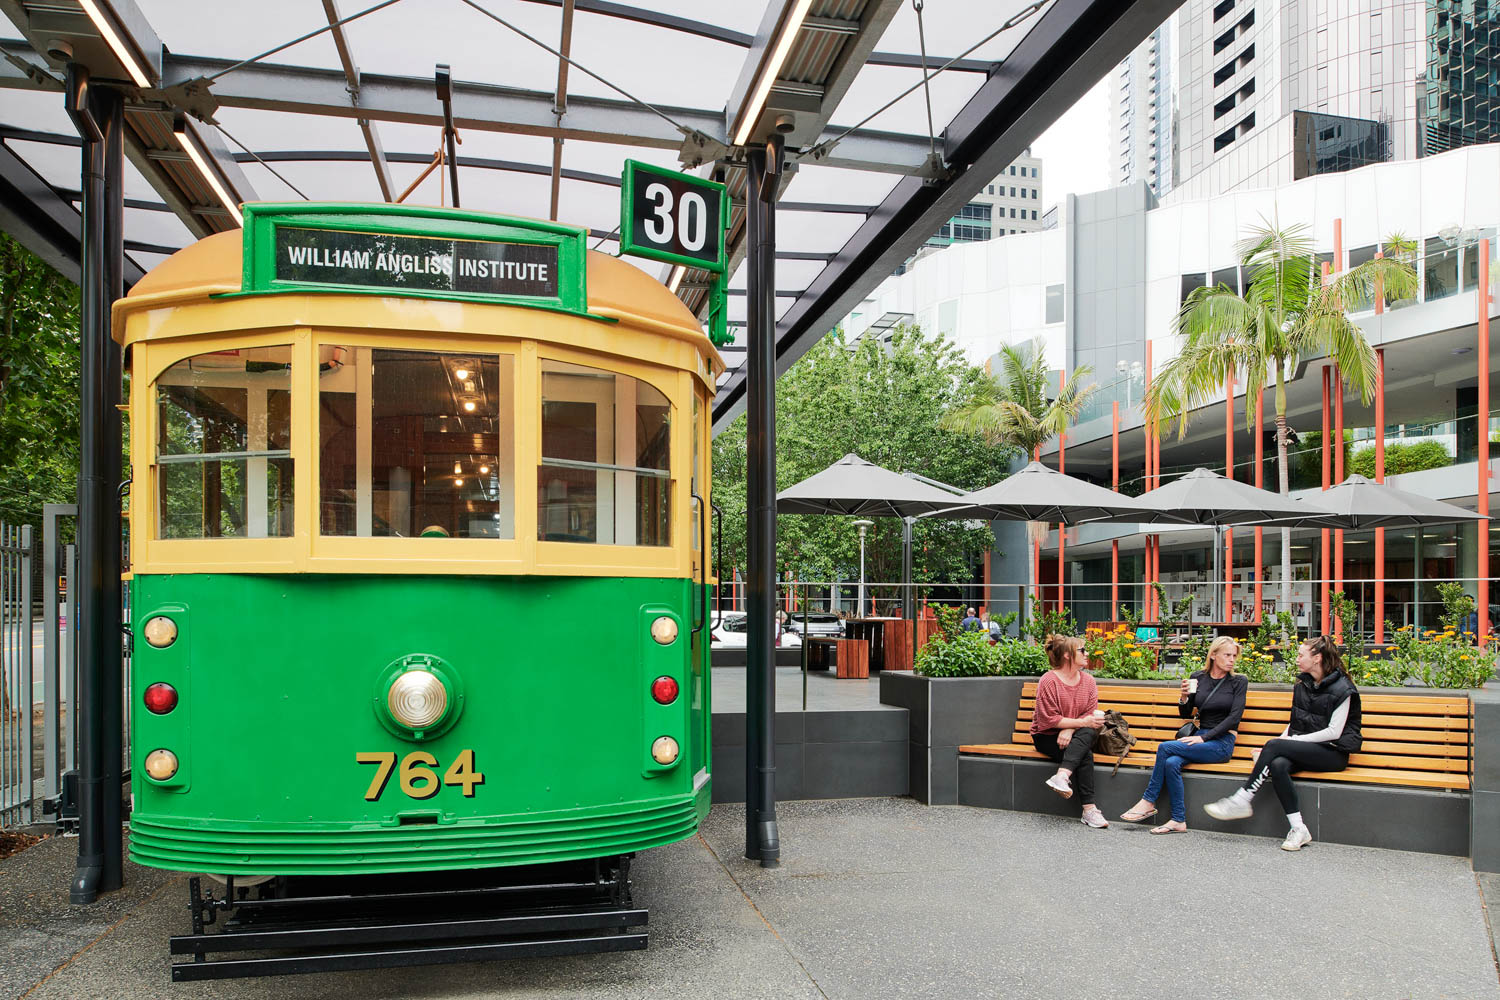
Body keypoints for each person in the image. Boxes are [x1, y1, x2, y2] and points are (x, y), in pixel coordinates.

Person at [1203, 634, 1362, 851]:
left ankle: (1242, 798)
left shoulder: (1344, 688)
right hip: (1306, 748)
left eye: (1300, 655)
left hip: (1333, 753)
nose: (1296, 659)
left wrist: (1287, 742)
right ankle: (1299, 829)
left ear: (1317, 658)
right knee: (1277, 765)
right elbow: (1295, 721)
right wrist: (1283, 741)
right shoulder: (1303, 683)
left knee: (1274, 746)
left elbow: (1334, 733)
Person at [1121, 636, 1248, 834]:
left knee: (1165, 747)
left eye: (1234, 655)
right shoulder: (1199, 677)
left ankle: (1148, 800)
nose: (1232, 659)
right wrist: (1183, 697)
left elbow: (1234, 718)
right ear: (1213, 655)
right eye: (1227, 655)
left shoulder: (1238, 681)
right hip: (1201, 738)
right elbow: (1185, 714)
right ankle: (1178, 820)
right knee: (1171, 763)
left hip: (1221, 743)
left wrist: (1203, 738)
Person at [1033, 634, 1109, 829]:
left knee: (1090, 730)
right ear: (1067, 655)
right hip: (1048, 735)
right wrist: (1073, 725)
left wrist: (1070, 727)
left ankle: (1062, 776)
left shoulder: (1089, 681)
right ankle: (1089, 810)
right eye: (1082, 650)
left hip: (1076, 733)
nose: (1087, 654)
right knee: (1085, 753)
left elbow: (1090, 714)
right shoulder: (1049, 680)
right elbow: (1047, 720)